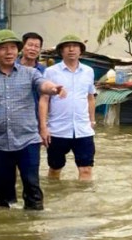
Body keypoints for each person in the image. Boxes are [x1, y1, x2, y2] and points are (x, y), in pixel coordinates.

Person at [0, 30, 66, 210]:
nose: (9, 52)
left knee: (33, 190)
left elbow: (43, 84)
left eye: (13, 48)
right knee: (2, 198)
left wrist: (53, 89)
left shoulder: (30, 73)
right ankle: (6, 233)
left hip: (27, 141)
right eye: (3, 48)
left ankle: (32, 232)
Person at [40, 34, 97, 181]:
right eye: (67, 46)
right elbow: (44, 100)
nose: (71, 49)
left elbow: (90, 97)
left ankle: (83, 202)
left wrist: (92, 120)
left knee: (86, 170)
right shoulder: (51, 72)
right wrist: (43, 127)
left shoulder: (88, 71)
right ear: (61, 51)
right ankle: (55, 197)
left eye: (75, 46)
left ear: (80, 51)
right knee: (55, 169)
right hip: (58, 130)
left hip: (83, 130)